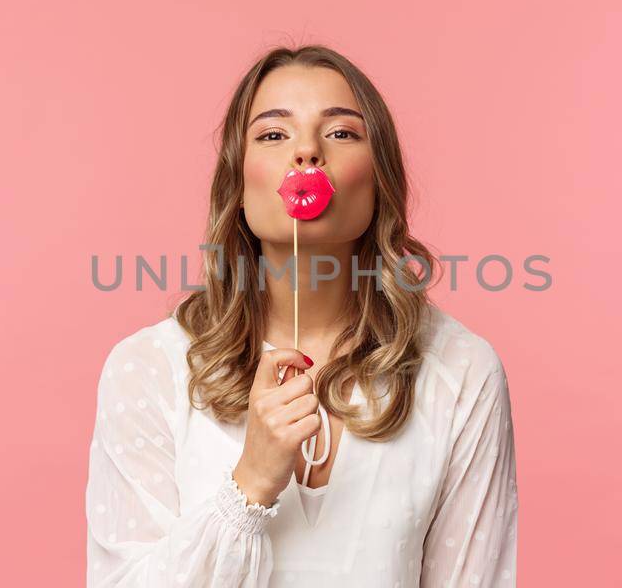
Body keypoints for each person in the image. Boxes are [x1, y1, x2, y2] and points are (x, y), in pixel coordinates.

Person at [85, 45, 518, 586]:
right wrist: (250, 484)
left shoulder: (461, 370)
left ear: (379, 179)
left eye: (341, 133)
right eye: (272, 135)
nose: (307, 151)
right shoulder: (147, 368)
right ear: (237, 183)